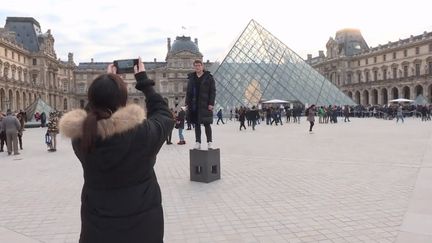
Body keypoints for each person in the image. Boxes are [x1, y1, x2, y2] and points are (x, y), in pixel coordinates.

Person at [59, 57, 174, 243]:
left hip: (97, 229)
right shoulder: (141, 134)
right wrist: (143, 80)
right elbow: (164, 115)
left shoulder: (81, 139)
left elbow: (92, 116)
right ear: (123, 100)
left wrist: (105, 84)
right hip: (143, 228)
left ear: (91, 100)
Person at [186, 59, 216, 150]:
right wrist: (187, 103)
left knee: (207, 124)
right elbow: (188, 92)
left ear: (202, 66)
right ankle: (198, 142)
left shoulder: (209, 77)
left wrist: (211, 103)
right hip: (194, 104)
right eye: (196, 65)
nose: (197, 67)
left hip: (205, 103)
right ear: (194, 67)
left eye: (199, 65)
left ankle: (209, 142)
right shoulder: (191, 78)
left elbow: (213, 91)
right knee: (197, 124)